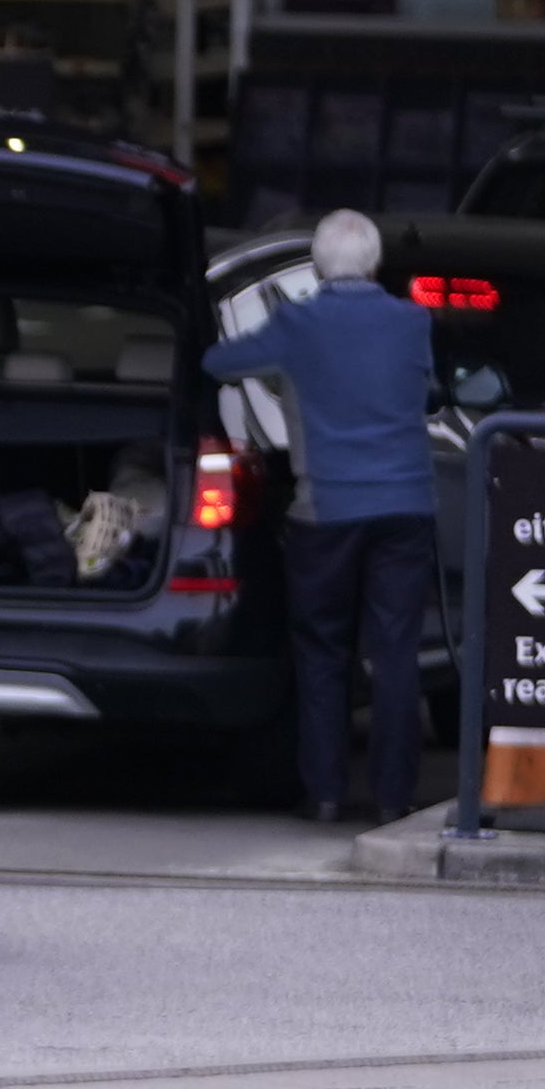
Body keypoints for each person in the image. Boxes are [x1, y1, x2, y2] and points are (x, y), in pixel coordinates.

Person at [201, 208, 441, 825]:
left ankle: (327, 793)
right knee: (395, 656)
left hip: (326, 510)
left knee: (322, 653)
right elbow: (429, 392)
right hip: (406, 508)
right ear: (376, 264)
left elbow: (219, 365)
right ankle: (393, 799)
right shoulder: (413, 322)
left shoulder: (297, 323)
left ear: (315, 267)